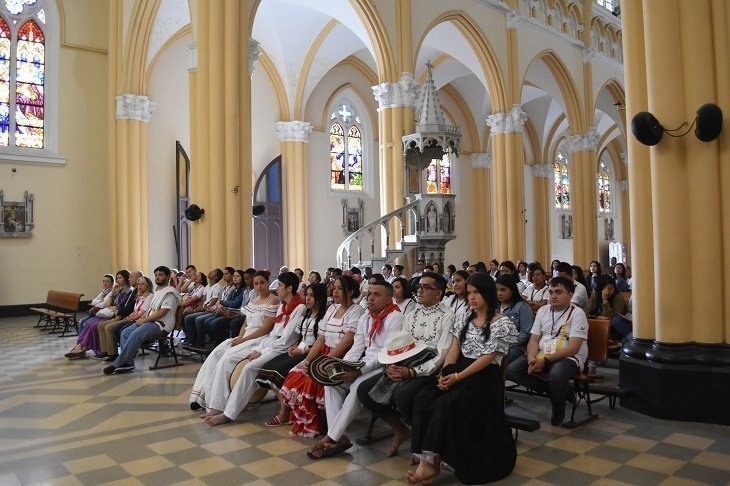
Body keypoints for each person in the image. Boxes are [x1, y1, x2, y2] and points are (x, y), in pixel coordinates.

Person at [408, 272, 518, 484]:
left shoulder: (501, 323)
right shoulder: (464, 318)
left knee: (447, 404)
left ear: (488, 293)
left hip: (484, 377)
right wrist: (445, 372)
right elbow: (454, 348)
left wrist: (458, 377)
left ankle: (431, 465)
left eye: (477, 292)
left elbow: (488, 358)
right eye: (469, 293)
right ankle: (427, 461)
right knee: (424, 398)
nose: (472, 297)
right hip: (459, 370)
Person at [357, 272, 454, 457]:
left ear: (438, 293)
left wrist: (412, 372)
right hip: (404, 363)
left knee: (403, 395)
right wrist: (394, 365)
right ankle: (400, 429)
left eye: (427, 287)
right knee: (364, 391)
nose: (420, 290)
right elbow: (400, 342)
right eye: (419, 286)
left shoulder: (447, 316)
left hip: (430, 370)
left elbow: (442, 353)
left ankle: (423, 438)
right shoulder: (412, 313)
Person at [307, 281, 404, 459]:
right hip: (363, 362)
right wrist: (345, 366)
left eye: (377, 294)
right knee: (332, 382)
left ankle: (330, 437)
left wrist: (358, 371)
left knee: (357, 387)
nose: (371, 298)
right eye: (370, 294)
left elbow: (385, 353)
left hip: (384, 365)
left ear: (389, 298)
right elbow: (357, 347)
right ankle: (338, 436)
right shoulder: (366, 316)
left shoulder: (395, 317)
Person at [202, 272, 306, 426]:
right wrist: (260, 349)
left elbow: (285, 340)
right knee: (226, 358)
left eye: (280, 285)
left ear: (289, 288)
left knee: (249, 368)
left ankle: (229, 413)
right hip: (271, 345)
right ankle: (218, 405)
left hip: (283, 349)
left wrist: (261, 351)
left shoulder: (299, 307)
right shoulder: (283, 306)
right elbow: (274, 334)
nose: (276, 289)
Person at [280, 275, 365, 437]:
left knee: (312, 380)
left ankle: (324, 427)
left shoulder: (357, 311)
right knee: (295, 374)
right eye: (334, 288)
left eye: (340, 288)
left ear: (351, 291)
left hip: (342, 356)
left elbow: (347, 342)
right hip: (324, 353)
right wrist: (308, 360)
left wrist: (323, 362)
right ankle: (308, 422)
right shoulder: (332, 309)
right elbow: (321, 338)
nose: (335, 291)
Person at [189, 270, 279, 410]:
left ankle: (218, 403)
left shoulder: (273, 300)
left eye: (262, 283)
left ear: (268, 282)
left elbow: (266, 328)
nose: (259, 286)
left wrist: (244, 340)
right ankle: (201, 395)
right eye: (256, 284)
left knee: (226, 359)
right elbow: (245, 324)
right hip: (245, 337)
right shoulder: (254, 300)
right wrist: (240, 337)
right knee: (215, 355)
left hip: (258, 339)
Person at [507, 276, 589, 426]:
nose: (553, 296)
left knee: (557, 374)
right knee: (511, 370)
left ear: (570, 295)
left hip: (569, 357)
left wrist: (544, 361)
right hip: (542, 355)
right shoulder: (543, 311)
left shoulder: (577, 313)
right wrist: (532, 356)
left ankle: (558, 409)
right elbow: (533, 340)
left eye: (558, 292)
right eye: (550, 292)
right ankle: (558, 392)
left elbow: (573, 348)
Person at [259, 283, 328, 427]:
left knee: (282, 372)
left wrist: (301, 351)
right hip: (299, 351)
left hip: (310, 354)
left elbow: (319, 345)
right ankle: (287, 405)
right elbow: (300, 338)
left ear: (320, 299)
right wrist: (294, 347)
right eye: (306, 295)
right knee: (267, 368)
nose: (307, 299)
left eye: (312, 296)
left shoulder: (323, 319)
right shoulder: (306, 316)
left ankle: (284, 413)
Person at [103, 266, 181, 375]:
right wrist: (142, 318)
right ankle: (128, 363)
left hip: (161, 324)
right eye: (156, 275)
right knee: (125, 333)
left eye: (161, 275)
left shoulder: (169, 293)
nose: (157, 277)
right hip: (150, 321)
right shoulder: (159, 291)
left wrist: (144, 321)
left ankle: (118, 363)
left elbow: (162, 313)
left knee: (135, 334)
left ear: (168, 277)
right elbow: (150, 309)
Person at [65, 270, 131, 359]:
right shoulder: (118, 290)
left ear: (126, 278)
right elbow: (106, 304)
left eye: (120, 278)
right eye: (117, 278)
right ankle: (81, 347)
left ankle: (82, 349)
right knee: (88, 323)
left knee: (93, 325)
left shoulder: (128, 290)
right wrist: (113, 292)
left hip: (114, 315)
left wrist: (114, 307)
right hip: (109, 312)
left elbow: (117, 306)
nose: (118, 280)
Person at [98, 275, 153, 361]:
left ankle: (123, 355)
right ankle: (110, 353)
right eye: (139, 284)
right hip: (131, 317)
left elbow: (143, 313)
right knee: (103, 326)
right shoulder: (139, 296)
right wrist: (128, 317)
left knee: (115, 328)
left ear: (148, 285)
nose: (139, 286)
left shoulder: (149, 296)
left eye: (142, 284)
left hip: (139, 320)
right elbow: (135, 310)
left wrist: (130, 318)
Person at [496, 275, 534, 362]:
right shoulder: (494, 307)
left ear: (512, 290)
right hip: (496, 344)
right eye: (496, 290)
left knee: (498, 358)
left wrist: (506, 344)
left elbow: (525, 333)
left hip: (517, 346)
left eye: (503, 290)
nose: (499, 293)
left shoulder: (522, 306)